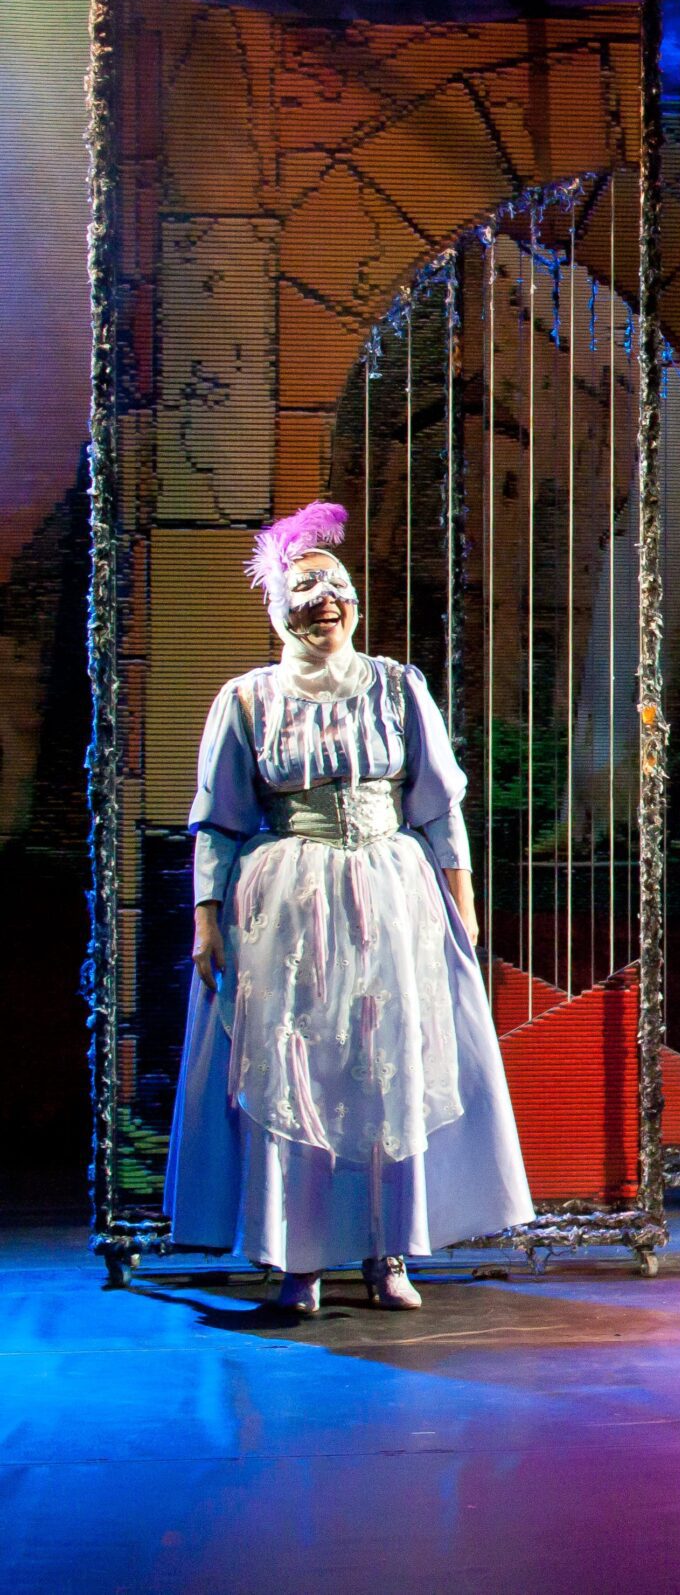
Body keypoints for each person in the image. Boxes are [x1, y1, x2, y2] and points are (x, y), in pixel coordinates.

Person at [166, 500, 533, 1313]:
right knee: (300, 1068)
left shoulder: (398, 688)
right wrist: (206, 915)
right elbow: (218, 821)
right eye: (304, 592)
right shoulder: (248, 700)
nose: (324, 603)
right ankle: (298, 1258)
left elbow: (439, 807)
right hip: (288, 901)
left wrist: (463, 902)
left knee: (386, 1061)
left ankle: (386, 1250)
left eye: (335, 589)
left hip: (392, 893)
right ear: (279, 609)